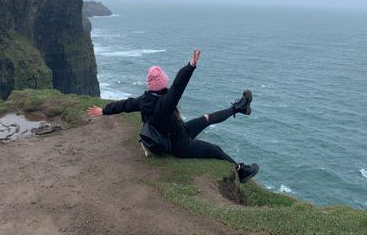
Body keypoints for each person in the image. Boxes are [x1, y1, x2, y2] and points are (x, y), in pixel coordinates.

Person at [87, 49, 259, 183]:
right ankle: (241, 172)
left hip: (178, 132)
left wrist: (104, 110)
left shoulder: (144, 100)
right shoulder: (165, 104)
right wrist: (191, 65)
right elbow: (178, 85)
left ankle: (240, 108)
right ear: (162, 85)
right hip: (179, 145)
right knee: (215, 150)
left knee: (206, 118)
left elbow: (124, 105)